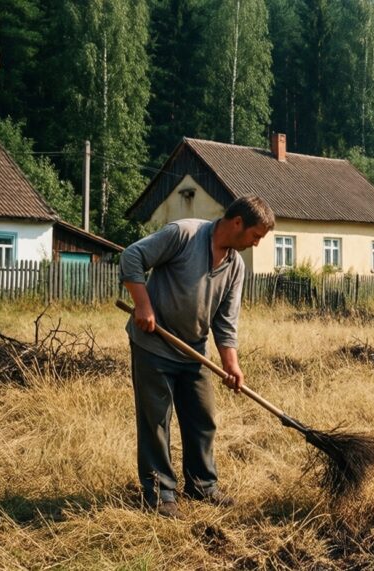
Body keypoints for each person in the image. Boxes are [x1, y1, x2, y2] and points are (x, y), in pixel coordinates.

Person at [120, 196, 275, 518]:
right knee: (156, 422)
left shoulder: (235, 266)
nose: (256, 244)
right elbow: (132, 256)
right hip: (154, 344)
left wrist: (231, 364)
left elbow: (225, 321)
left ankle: (201, 485)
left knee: (202, 419)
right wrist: (143, 306)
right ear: (237, 223)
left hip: (195, 350)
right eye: (255, 236)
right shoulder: (183, 234)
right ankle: (160, 495)